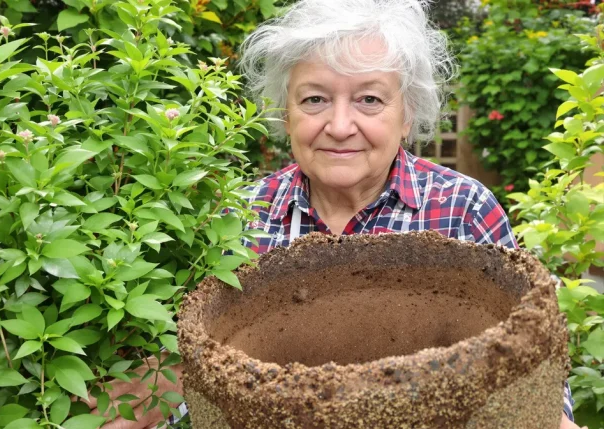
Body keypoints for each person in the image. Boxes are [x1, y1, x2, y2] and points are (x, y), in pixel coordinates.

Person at [87, 0, 584, 427]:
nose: (340, 125)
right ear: (286, 113)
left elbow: (527, 365)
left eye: (369, 99)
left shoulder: (463, 208)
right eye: (315, 99)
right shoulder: (237, 217)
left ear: (406, 113)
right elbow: (194, 377)